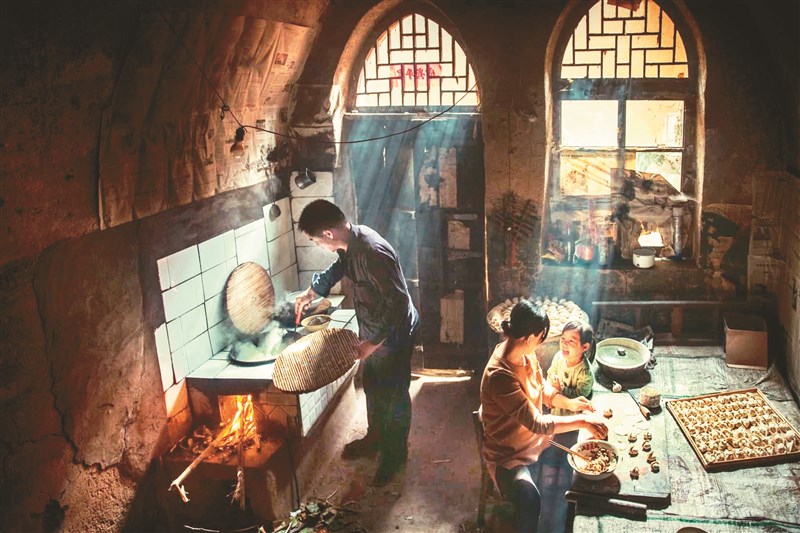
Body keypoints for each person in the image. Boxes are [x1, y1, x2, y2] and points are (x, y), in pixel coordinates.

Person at [294, 199, 419, 485]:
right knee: (374, 386)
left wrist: (373, 343)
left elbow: (399, 305)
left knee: (393, 395)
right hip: (376, 330)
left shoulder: (373, 252)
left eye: (316, 241)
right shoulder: (350, 242)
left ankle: (395, 455)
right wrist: (312, 291)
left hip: (394, 335)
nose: (318, 245)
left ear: (328, 233)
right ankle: (375, 438)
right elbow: (340, 266)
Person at [480, 300, 608, 533]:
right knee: (530, 498)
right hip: (509, 455)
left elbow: (544, 389)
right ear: (529, 338)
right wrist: (583, 420)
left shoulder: (525, 354)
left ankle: (563, 523)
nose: (541, 342)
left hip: (535, 442)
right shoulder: (500, 375)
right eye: (540, 338)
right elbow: (538, 423)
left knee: (581, 462)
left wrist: (569, 403)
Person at [546, 319, 595, 416]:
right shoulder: (559, 357)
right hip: (557, 405)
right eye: (563, 338)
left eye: (571, 341)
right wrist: (551, 384)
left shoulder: (585, 372)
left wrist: (560, 389)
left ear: (585, 347)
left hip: (571, 414)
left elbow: (580, 397)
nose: (564, 343)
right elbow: (550, 374)